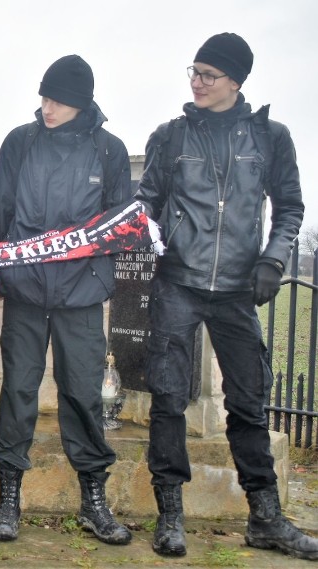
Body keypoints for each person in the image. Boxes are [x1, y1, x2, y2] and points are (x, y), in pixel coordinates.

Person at [135, 33, 316, 560]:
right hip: (177, 283)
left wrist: (274, 259)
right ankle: (170, 516)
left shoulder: (271, 138)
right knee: (168, 399)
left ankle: (267, 519)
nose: (197, 81)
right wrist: (139, 231)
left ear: (237, 81)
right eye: (193, 70)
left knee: (250, 401)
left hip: (238, 289)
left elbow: (290, 208)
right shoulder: (170, 137)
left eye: (209, 74)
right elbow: (146, 202)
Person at [0, 55, 133, 545]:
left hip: (81, 297)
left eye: (58, 100)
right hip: (26, 293)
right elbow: (1, 212)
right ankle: (8, 499)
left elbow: (117, 226)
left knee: (83, 396)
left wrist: (92, 271)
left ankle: (94, 499)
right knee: (19, 393)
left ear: (81, 102)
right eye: (44, 97)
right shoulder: (19, 143)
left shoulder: (109, 152)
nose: (46, 107)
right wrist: (10, 268)